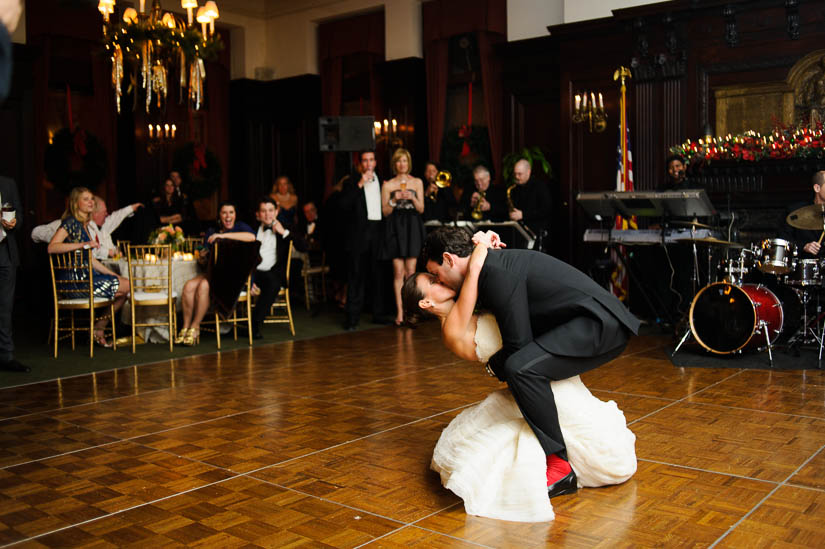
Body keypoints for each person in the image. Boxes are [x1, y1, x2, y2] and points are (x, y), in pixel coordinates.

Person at [402, 234, 636, 520]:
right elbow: (489, 303)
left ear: (450, 260)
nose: (441, 281)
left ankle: (559, 464)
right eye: (434, 281)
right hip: (570, 327)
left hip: (597, 323)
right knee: (523, 369)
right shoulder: (470, 294)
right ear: (426, 303)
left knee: (521, 368)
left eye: (438, 275)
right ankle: (562, 462)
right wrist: (480, 251)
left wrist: (482, 247)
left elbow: (516, 341)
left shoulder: (490, 274)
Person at [47, 187, 131, 348]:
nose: (90, 202)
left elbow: (91, 260)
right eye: (85, 199)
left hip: (88, 277)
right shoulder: (71, 222)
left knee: (125, 285)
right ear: (75, 203)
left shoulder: (85, 225)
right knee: (126, 287)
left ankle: (98, 329)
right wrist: (83, 244)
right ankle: (98, 330)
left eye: (91, 198)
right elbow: (52, 247)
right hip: (75, 281)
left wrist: (114, 275)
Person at [176, 201, 255, 345]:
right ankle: (185, 327)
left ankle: (195, 326)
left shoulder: (240, 227)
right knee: (188, 286)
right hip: (213, 271)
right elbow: (205, 259)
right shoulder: (211, 231)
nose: (228, 216)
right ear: (219, 215)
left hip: (233, 275)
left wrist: (223, 236)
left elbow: (252, 238)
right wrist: (201, 257)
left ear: (235, 215)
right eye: (224, 213)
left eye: (231, 212)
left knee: (204, 286)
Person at [340, 151, 387, 330]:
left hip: (378, 232)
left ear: (375, 162)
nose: (368, 164)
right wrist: (360, 184)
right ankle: (352, 318)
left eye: (371, 160)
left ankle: (379, 314)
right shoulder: (351, 181)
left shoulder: (383, 180)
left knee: (378, 275)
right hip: (359, 235)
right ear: (360, 164)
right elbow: (343, 206)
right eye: (365, 160)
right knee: (356, 276)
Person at [382, 148, 425, 326]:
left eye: (405, 161)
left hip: (412, 226)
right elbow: (385, 212)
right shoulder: (388, 185)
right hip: (395, 227)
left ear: (409, 163)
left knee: (411, 272)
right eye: (399, 161)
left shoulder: (417, 182)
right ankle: (400, 313)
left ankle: (411, 312)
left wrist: (412, 198)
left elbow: (421, 209)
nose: (402, 164)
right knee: (398, 272)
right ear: (395, 164)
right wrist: (394, 199)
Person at [32, 197, 143, 259]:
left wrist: (131, 208)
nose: (107, 215)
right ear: (95, 213)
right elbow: (36, 232)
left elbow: (114, 218)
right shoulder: (69, 223)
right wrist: (63, 239)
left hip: (100, 267)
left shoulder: (96, 227)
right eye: (104, 212)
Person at [250, 197, 292, 339]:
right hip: (253, 272)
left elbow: (303, 246)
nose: (267, 214)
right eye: (263, 211)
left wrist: (283, 232)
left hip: (271, 273)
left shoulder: (284, 227)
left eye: (270, 210)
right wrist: (249, 279)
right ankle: (229, 324)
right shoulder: (252, 229)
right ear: (258, 214)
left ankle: (254, 324)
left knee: (273, 283)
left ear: (276, 211)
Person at [0, 175, 27, 371]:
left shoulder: (8, 183)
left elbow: (19, 217)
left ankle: (6, 356)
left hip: (5, 252)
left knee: (5, 307)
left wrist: (14, 222)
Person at [509, 159, 552, 245]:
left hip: (536, 233)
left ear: (528, 172)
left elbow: (546, 210)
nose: (516, 177)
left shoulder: (540, 187)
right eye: (515, 174)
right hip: (520, 233)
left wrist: (523, 215)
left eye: (519, 174)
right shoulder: (514, 189)